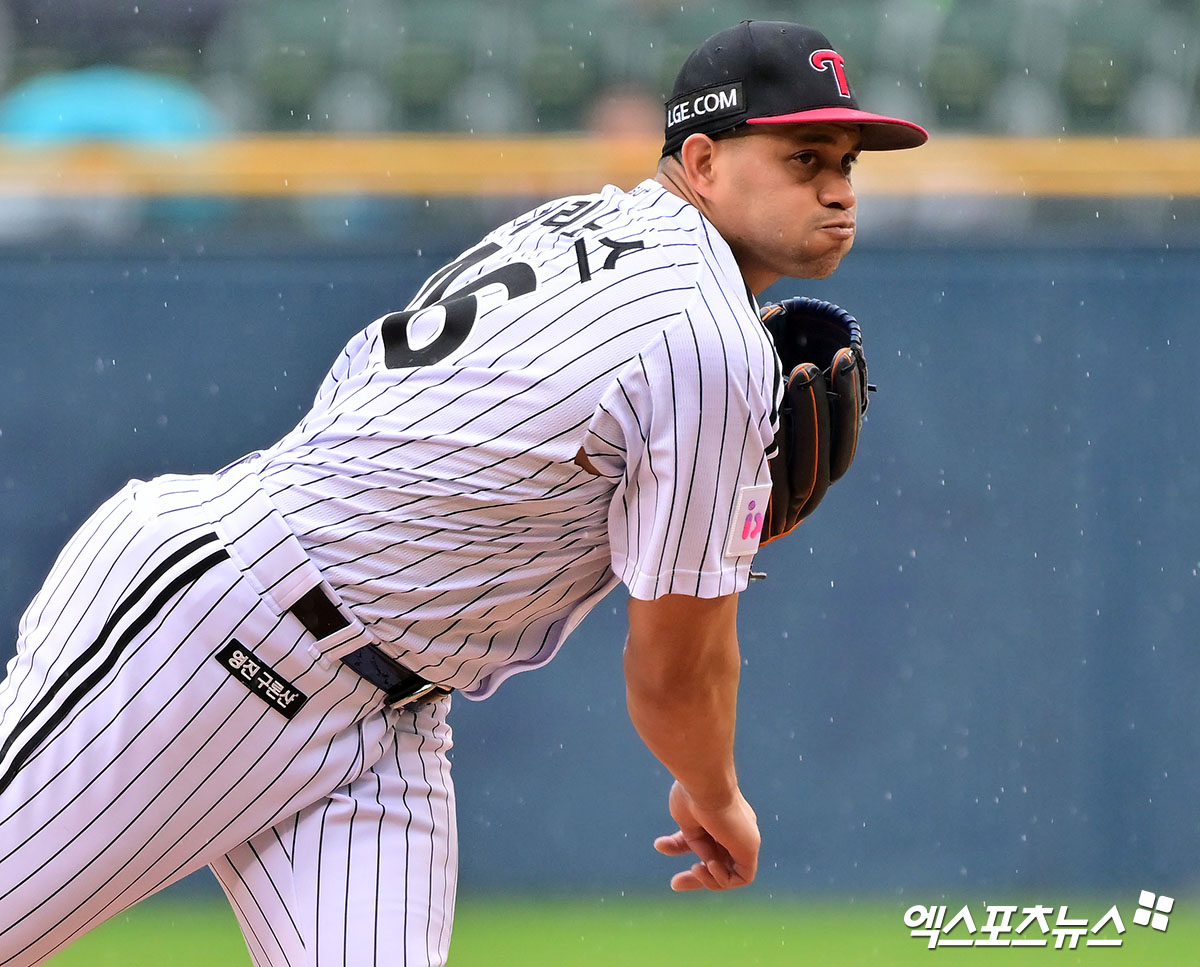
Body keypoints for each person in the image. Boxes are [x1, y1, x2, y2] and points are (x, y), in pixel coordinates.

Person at [0, 21, 926, 967]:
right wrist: (713, 790)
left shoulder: (580, 224)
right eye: (803, 157)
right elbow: (671, 672)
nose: (838, 188)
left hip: (387, 717)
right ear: (702, 160)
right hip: (219, 633)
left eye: (846, 161)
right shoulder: (708, 338)